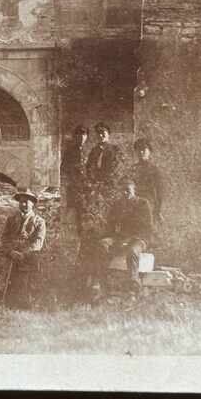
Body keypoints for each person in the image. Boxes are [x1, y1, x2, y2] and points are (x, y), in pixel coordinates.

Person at [76, 122, 123, 296]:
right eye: (99, 133)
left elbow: (115, 171)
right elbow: (89, 169)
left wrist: (104, 185)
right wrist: (91, 184)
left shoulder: (114, 150)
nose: (101, 135)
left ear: (108, 134)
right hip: (95, 190)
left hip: (108, 190)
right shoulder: (94, 151)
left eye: (103, 132)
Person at [101, 178, 154, 293]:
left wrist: (131, 239)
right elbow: (110, 224)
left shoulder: (142, 204)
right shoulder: (117, 205)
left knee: (132, 251)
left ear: (134, 190)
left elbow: (147, 227)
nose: (125, 193)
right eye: (122, 191)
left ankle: (134, 281)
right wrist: (108, 237)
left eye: (127, 190)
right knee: (102, 245)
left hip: (139, 238)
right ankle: (101, 280)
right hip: (121, 238)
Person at [0, 188, 47, 309]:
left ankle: (25, 311)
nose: (24, 204)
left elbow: (38, 242)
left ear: (33, 203)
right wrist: (11, 252)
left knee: (25, 287)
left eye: (27, 201)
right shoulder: (11, 220)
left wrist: (23, 254)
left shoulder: (39, 222)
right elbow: (4, 238)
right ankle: (7, 309)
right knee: (9, 286)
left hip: (28, 260)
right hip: (11, 258)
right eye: (21, 201)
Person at [60, 124, 91, 234]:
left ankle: (85, 234)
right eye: (79, 135)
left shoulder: (89, 151)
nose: (82, 137)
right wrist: (72, 176)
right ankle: (72, 235)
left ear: (87, 136)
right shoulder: (69, 152)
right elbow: (63, 168)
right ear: (75, 137)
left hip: (86, 187)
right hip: (73, 186)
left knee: (85, 211)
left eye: (84, 135)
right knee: (73, 211)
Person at [130, 137, 167, 225]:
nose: (141, 152)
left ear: (149, 151)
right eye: (138, 150)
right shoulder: (132, 169)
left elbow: (159, 192)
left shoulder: (154, 170)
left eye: (143, 150)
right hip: (134, 203)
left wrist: (158, 210)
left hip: (149, 204)